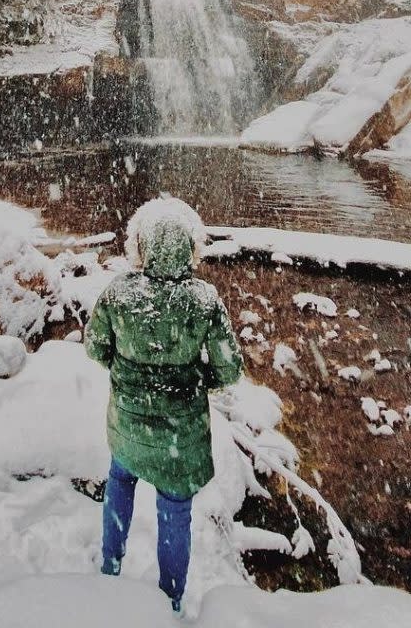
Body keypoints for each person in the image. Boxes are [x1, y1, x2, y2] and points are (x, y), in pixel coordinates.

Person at [84, 197, 243, 612]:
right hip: (181, 438)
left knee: (120, 483)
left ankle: (110, 566)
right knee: (174, 511)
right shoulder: (204, 299)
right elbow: (229, 369)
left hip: (128, 429)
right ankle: (170, 600)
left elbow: (95, 348)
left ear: (142, 244)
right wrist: (195, 382)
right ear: (192, 246)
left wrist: (127, 373)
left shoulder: (119, 292)